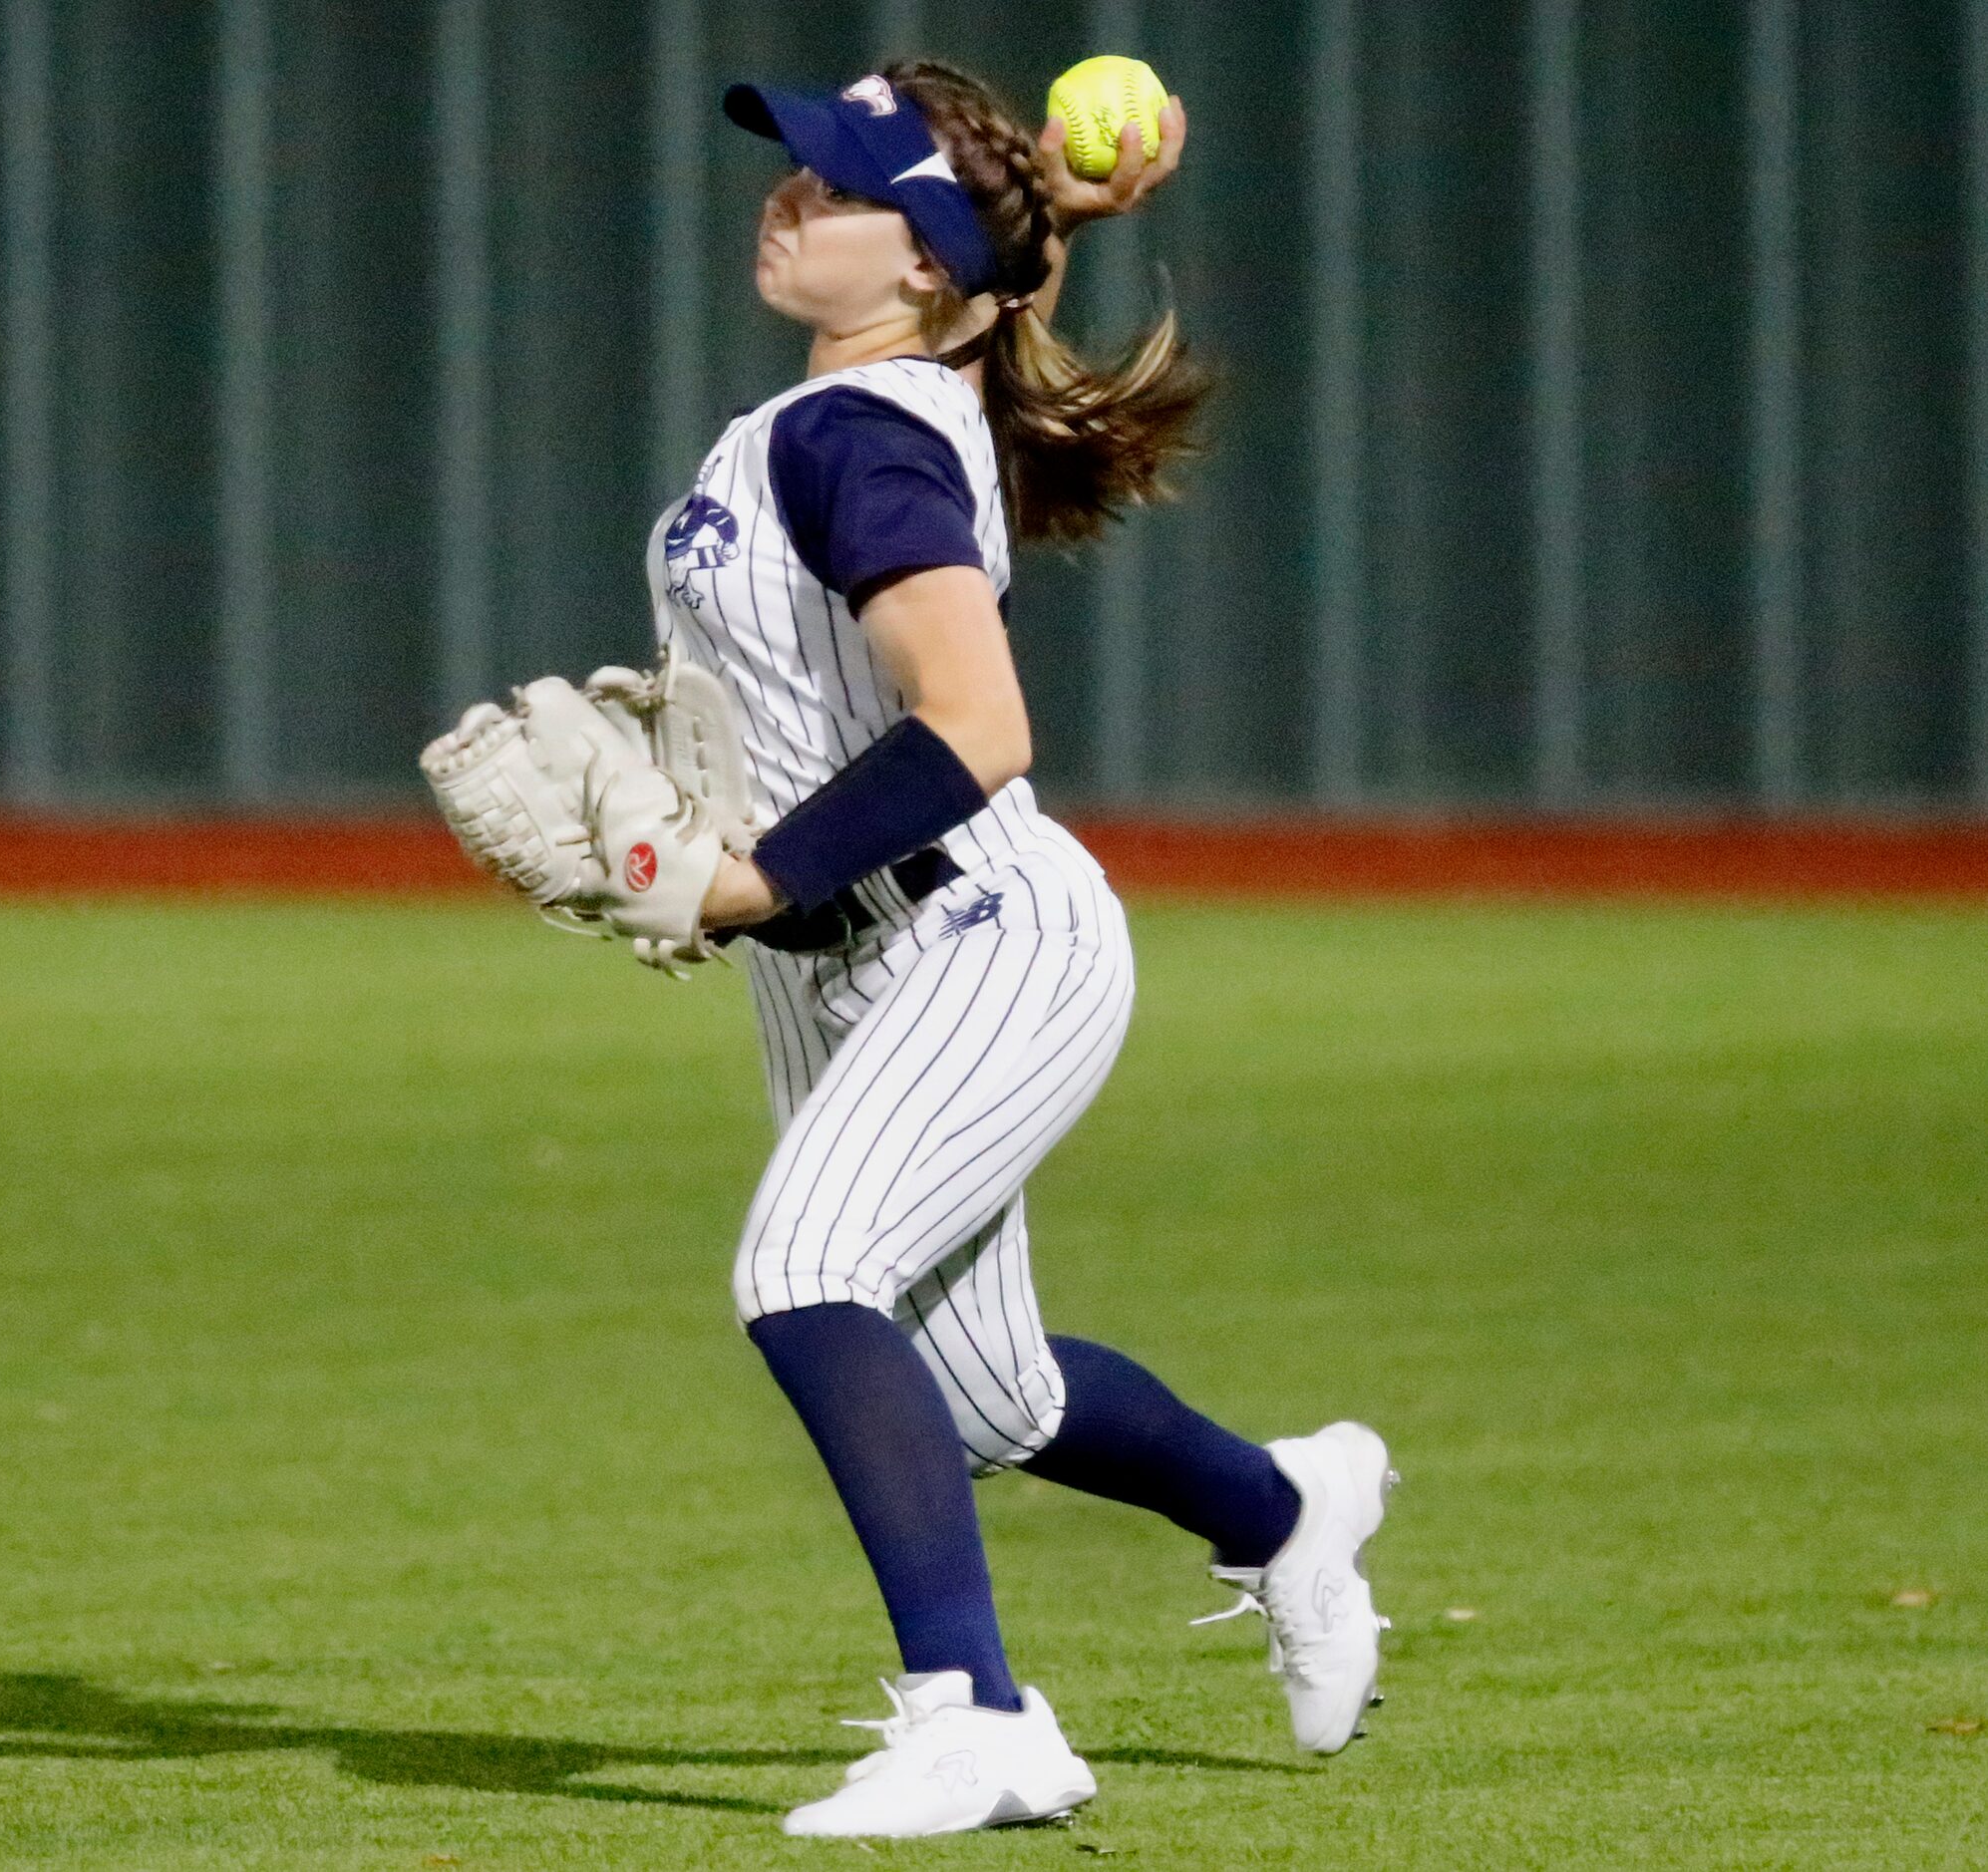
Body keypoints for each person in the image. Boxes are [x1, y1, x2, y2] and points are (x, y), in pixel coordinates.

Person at [652, 59, 1395, 1838]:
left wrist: (758, 873)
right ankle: (1284, 1508)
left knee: (804, 1269)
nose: (786, 197)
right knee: (991, 1392)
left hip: (974, 928)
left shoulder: (868, 430)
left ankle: (976, 1714)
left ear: (916, 267)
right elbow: (989, 296)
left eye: (831, 187)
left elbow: (975, 726)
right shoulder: (862, 401)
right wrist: (1043, 213)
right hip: (848, 959)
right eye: (801, 171)